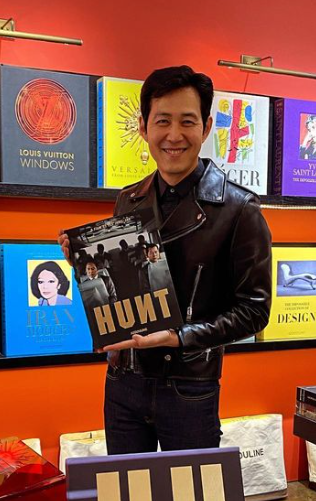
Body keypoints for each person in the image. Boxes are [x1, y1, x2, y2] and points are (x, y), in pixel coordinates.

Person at [59, 65, 271, 454]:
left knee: (192, 493)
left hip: (190, 385)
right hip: (123, 381)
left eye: (187, 122)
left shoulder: (240, 209)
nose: (174, 135)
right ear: (143, 127)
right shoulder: (129, 199)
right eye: (162, 121)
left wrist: (180, 336)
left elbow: (255, 311)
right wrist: (86, 265)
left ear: (206, 128)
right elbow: (123, 286)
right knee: (127, 490)